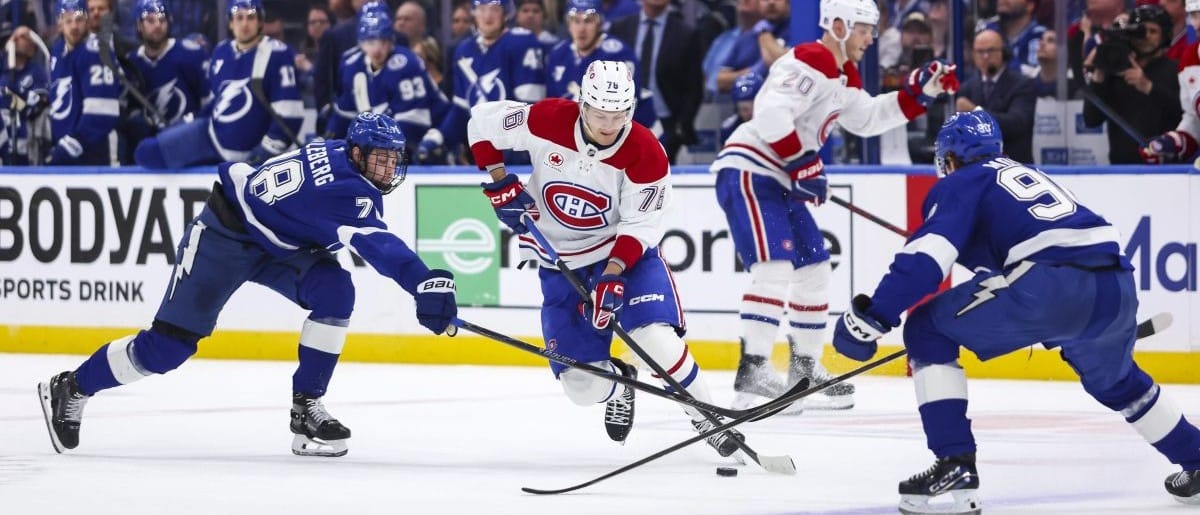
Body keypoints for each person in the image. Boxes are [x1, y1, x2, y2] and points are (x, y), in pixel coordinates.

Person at [831, 110, 1200, 513]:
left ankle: (955, 466)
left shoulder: (963, 181)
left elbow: (925, 260)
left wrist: (872, 317)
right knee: (1118, 384)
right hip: (1116, 286)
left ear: (950, 158)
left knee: (926, 330)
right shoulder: (1022, 174)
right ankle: (1197, 459)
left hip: (1049, 287)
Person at [38, 112, 459, 458]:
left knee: (336, 291)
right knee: (167, 348)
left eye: (392, 160)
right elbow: (379, 245)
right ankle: (72, 385)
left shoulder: (342, 156)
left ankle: (306, 405)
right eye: (379, 160)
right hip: (225, 234)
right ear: (355, 153)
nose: (388, 169)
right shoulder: (347, 192)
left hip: (279, 241)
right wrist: (422, 282)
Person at [464, 60, 747, 457]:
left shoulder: (646, 151)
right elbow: (479, 123)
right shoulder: (546, 119)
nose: (608, 124)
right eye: (600, 114)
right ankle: (619, 383)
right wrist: (500, 183)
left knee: (653, 336)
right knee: (582, 389)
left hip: (622, 255)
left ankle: (706, 417)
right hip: (559, 261)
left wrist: (613, 274)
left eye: (618, 115)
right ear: (583, 105)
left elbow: (641, 224)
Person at [711, 0, 957, 412]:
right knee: (774, 268)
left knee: (813, 268)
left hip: (781, 177)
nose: (870, 38)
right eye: (864, 28)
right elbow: (770, 112)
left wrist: (918, 93)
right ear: (839, 25)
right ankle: (753, 370)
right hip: (751, 170)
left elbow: (868, 119)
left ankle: (802, 371)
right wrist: (805, 163)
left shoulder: (842, 75)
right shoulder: (812, 58)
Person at [132, 0, 303, 169]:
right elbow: (217, 101)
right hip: (212, 135)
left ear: (260, 22)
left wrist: (267, 151)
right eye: (239, 17)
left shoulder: (277, 53)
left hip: (249, 149)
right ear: (230, 22)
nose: (244, 24)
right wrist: (189, 123)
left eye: (250, 17)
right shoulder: (222, 51)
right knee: (146, 152)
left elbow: (290, 112)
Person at [417, 0, 545, 165]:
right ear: (474, 13)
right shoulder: (464, 50)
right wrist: (440, 137)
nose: (487, 15)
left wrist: (508, 141)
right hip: (482, 148)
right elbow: (461, 110)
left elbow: (531, 108)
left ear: (505, 13)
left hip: (518, 149)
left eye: (494, 9)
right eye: (482, 9)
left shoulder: (522, 43)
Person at [326, 8, 447, 153]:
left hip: (431, 135)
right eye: (371, 42)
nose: (377, 50)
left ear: (391, 41)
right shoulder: (352, 66)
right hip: (385, 141)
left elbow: (413, 122)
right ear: (361, 43)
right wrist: (328, 140)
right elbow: (345, 114)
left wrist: (374, 146)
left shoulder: (406, 64)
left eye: (383, 41)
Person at [1082, 3, 1181, 164]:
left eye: (1153, 31)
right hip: (1121, 170)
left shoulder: (1175, 69)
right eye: (1140, 30)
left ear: (1165, 36)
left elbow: (1183, 116)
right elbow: (1091, 120)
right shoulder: (1115, 70)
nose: (1146, 36)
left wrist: (1149, 87)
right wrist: (1099, 76)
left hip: (1166, 169)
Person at [547, 0, 658, 137]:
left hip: (618, 134)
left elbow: (622, 111)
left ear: (600, 23)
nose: (581, 28)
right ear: (568, 24)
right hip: (573, 135)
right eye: (576, 21)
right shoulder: (558, 54)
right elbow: (552, 105)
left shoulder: (618, 54)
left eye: (588, 21)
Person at [123, 0, 209, 147]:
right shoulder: (131, 62)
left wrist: (195, 122)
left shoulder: (191, 54)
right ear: (139, 25)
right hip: (149, 144)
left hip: (188, 140)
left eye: (162, 20)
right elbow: (127, 108)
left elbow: (209, 102)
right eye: (150, 20)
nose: (157, 25)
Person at [46, 0, 121, 165]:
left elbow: (101, 114)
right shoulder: (57, 51)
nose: (74, 26)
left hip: (94, 155)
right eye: (68, 20)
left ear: (87, 21)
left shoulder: (97, 51)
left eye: (79, 20)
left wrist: (69, 147)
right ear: (60, 23)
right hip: (65, 149)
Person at [955, 29, 1037, 163]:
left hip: (1013, 167)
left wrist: (976, 112)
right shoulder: (967, 88)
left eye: (991, 51)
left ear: (1003, 53)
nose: (985, 56)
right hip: (977, 168)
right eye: (980, 52)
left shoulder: (1022, 85)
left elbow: (1017, 124)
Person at [1142, 0, 1200, 163]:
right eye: (1195, 15)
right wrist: (1174, 142)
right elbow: (1194, 121)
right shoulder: (1190, 58)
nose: (1198, 24)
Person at [719, 71, 761, 145]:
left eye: (753, 107)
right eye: (744, 109)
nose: (749, 113)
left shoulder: (775, 125)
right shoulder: (729, 129)